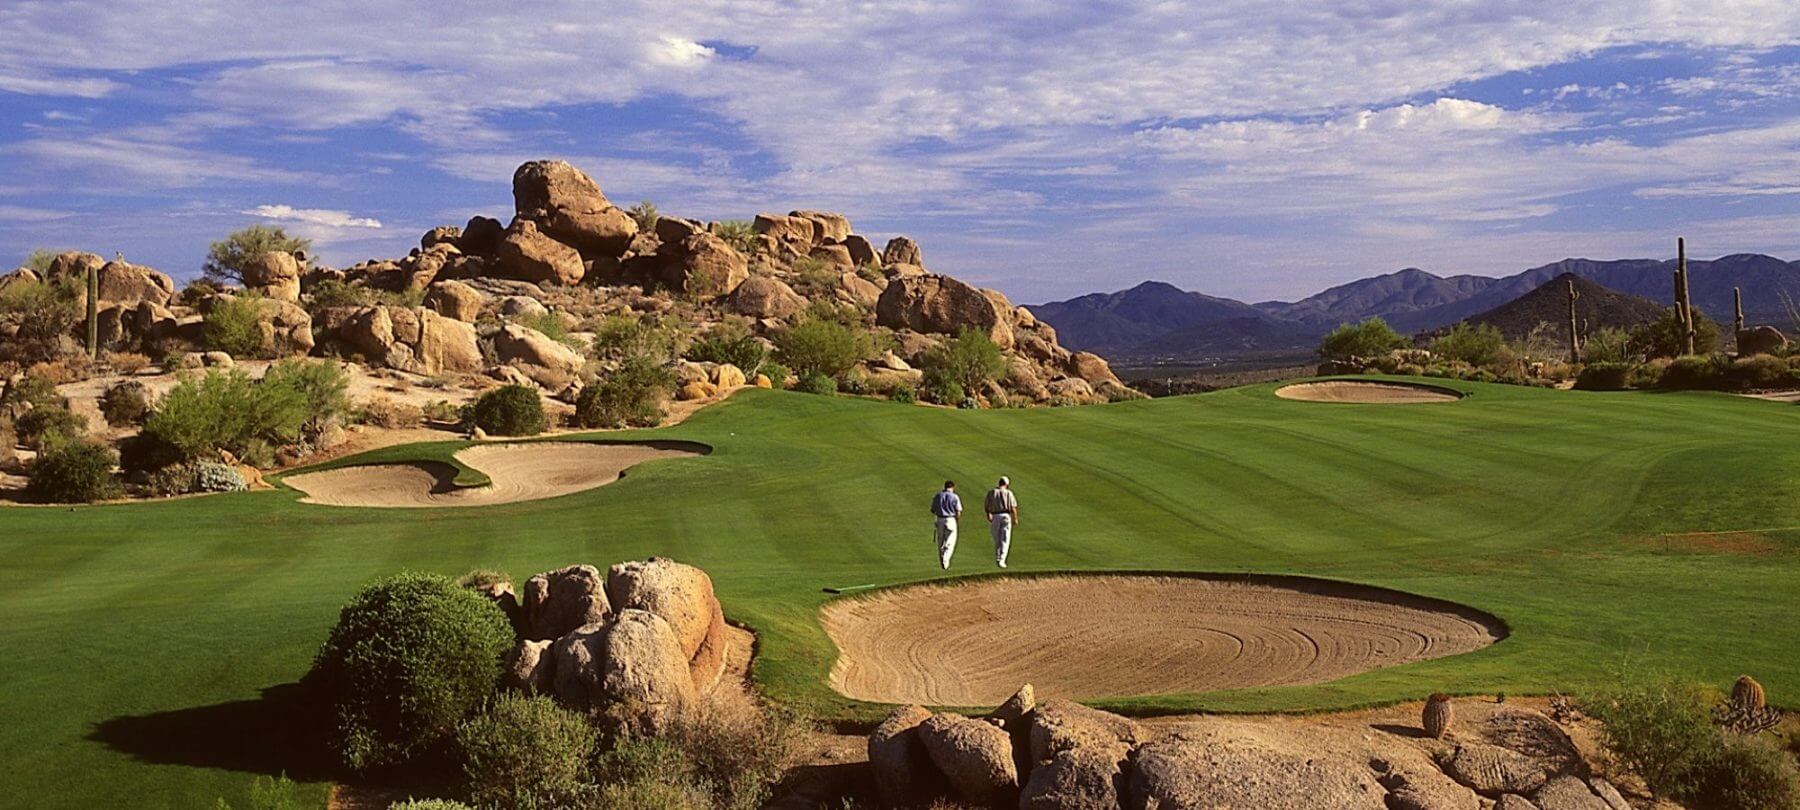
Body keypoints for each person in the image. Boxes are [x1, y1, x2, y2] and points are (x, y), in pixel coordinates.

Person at [985, 476, 1019, 567]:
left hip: (995, 515)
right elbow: (1013, 507)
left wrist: (988, 513)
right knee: (1005, 538)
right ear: (1007, 484)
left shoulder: (992, 492)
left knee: (997, 537)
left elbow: (987, 505)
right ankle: (1002, 559)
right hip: (1006, 515)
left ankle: (998, 557)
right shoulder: (1009, 493)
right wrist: (1015, 518)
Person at [929, 480, 963, 569]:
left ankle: (942, 562)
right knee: (950, 541)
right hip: (950, 519)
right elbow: (958, 512)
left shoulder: (938, 496)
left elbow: (932, 510)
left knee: (940, 541)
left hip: (940, 519)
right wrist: (956, 520)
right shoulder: (954, 496)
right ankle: (945, 560)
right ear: (952, 487)